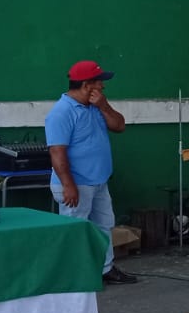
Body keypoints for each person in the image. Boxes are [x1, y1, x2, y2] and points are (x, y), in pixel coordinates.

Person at [46, 60, 135, 286]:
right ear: (87, 85)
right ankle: (73, 275)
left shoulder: (96, 106)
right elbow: (57, 152)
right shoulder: (61, 112)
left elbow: (120, 126)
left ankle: (105, 269)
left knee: (104, 225)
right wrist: (68, 185)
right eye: (99, 82)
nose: (103, 86)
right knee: (75, 229)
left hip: (98, 181)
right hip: (76, 184)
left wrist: (104, 106)